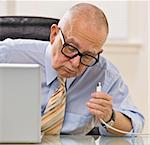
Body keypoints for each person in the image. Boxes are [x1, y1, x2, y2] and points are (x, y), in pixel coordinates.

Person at [0, 3, 144, 136]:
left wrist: (109, 116)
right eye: (70, 48)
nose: (75, 63)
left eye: (88, 56)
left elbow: (134, 124)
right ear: (54, 34)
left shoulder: (103, 74)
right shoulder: (9, 54)